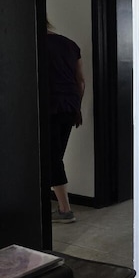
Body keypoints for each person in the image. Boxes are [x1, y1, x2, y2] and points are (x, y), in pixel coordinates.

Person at [46, 20, 85, 223]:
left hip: (50, 105)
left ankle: (65, 209)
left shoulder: (34, 43)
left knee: (51, 158)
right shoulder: (70, 44)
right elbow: (80, 80)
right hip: (69, 105)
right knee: (54, 155)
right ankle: (60, 207)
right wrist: (77, 107)